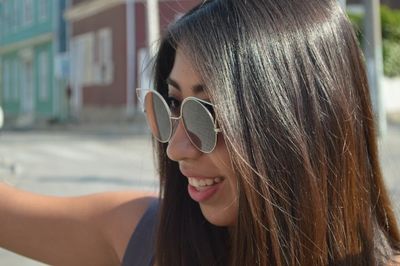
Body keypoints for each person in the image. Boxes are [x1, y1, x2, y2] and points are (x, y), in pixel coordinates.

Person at [1, 0, 400, 265]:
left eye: (209, 111)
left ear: (302, 123)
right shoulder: (148, 239)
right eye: (172, 105)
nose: (175, 149)